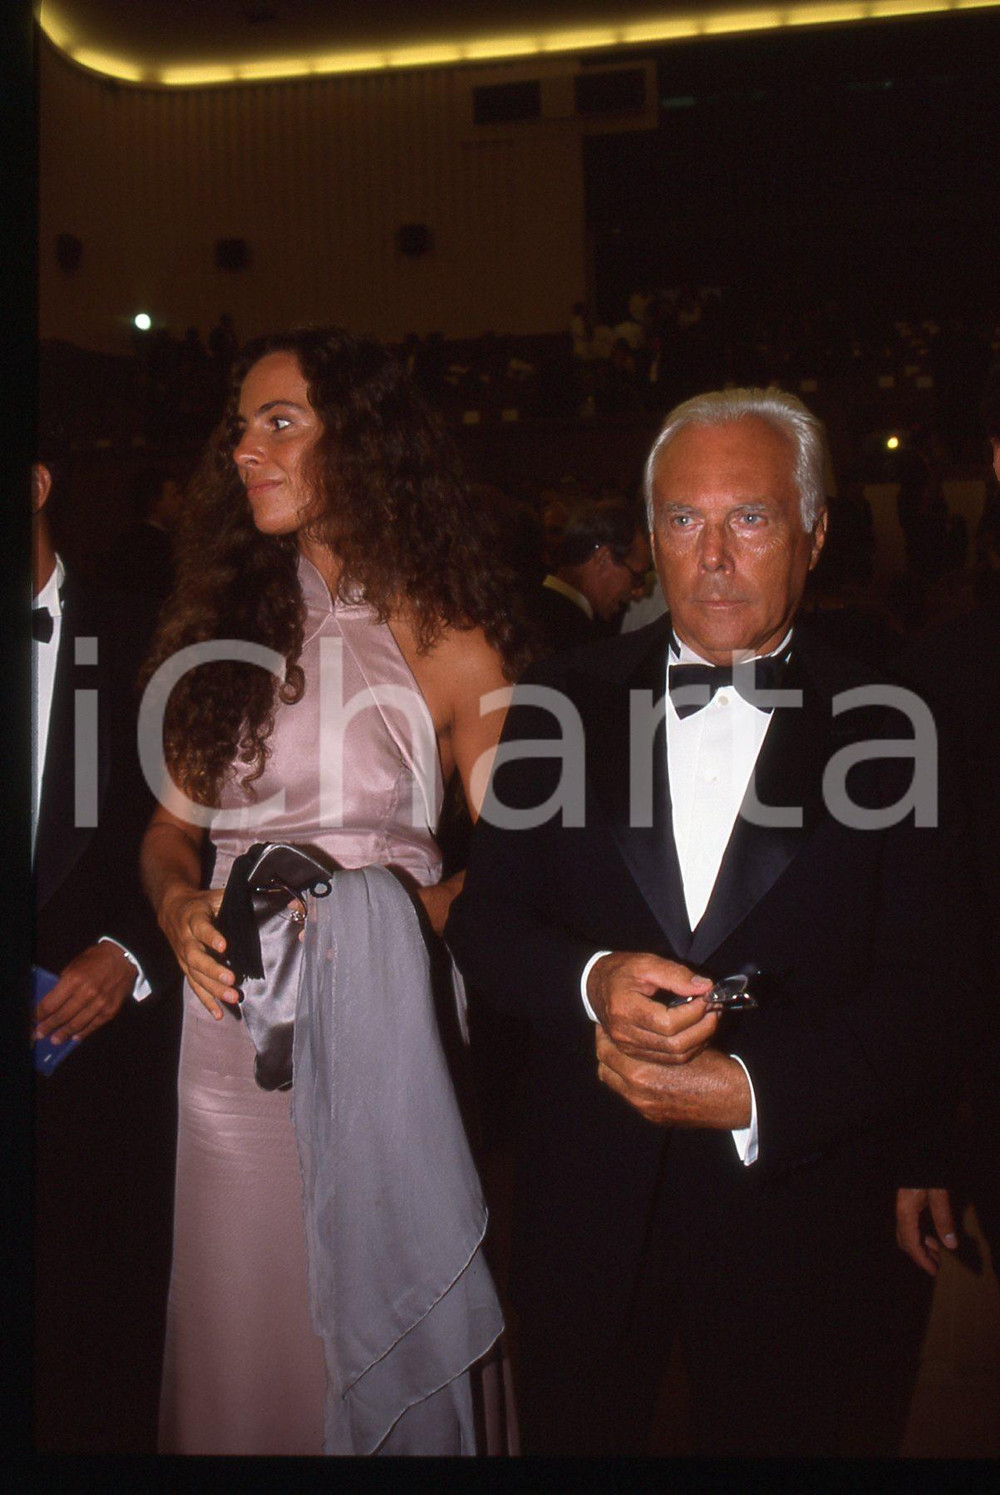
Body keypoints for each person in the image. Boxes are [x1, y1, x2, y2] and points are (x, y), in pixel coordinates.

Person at [447, 386, 965, 1456]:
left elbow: (935, 984)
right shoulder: (556, 701)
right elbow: (486, 923)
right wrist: (588, 978)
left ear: (815, 533)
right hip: (583, 1202)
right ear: (648, 539)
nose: (714, 554)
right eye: (684, 520)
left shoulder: (896, 723)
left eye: (752, 517)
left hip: (805, 1205)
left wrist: (758, 1088)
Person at [138, 326, 532, 1455]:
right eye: (240, 430)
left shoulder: (451, 641)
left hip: (383, 1027)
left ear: (357, 442)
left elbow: (519, 859)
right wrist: (174, 907)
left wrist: (393, 922)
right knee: (241, 1318)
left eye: (280, 423)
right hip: (227, 1033)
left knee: (382, 1290)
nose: (246, 452)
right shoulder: (218, 636)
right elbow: (169, 833)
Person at [32, 433, 180, 1452]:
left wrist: (133, 950)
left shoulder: (152, 642)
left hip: (103, 1062)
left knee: (101, 1360)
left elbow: (214, 834)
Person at [530, 499, 650, 653]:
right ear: (603, 560)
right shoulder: (576, 641)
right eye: (637, 577)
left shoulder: (529, 607)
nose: (638, 592)